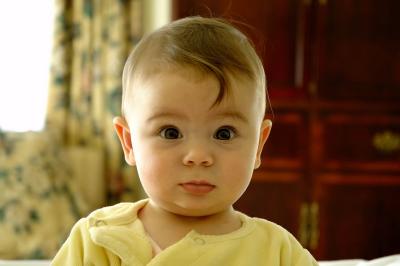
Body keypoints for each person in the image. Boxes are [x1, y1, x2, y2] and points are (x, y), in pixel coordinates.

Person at [52, 16, 318, 265]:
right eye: (171, 132)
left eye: (224, 133)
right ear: (130, 143)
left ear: (258, 145)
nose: (198, 155)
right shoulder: (98, 239)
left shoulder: (277, 251)